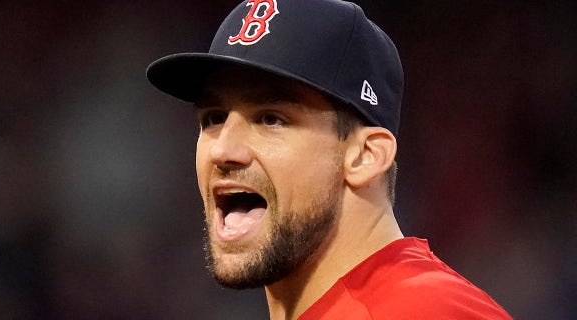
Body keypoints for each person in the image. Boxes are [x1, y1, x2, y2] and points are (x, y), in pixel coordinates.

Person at [146, 0, 512, 319]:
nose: (223, 150)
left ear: (366, 155)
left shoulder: (423, 310)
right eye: (214, 117)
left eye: (271, 118)